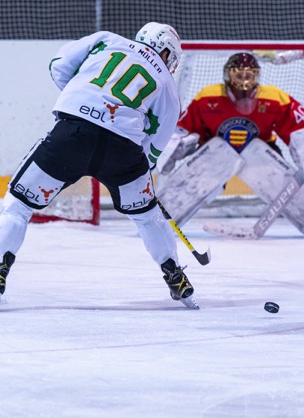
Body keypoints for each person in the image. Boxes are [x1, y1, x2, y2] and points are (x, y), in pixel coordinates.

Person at [0, 22, 199, 309]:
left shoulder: (106, 40)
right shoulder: (167, 85)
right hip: (124, 152)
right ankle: (174, 275)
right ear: (166, 51)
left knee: (18, 204)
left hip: (72, 134)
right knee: (146, 215)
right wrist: (138, 173)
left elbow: (58, 65)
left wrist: (84, 98)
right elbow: (155, 145)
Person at [155, 52, 304, 237]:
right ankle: (157, 221)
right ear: (227, 75)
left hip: (262, 155)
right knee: (215, 156)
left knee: (262, 160)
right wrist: (172, 150)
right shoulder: (208, 97)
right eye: (239, 74)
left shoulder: (273, 98)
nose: (244, 80)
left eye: (249, 75)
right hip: (216, 155)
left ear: (257, 75)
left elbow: (302, 125)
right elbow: (184, 129)